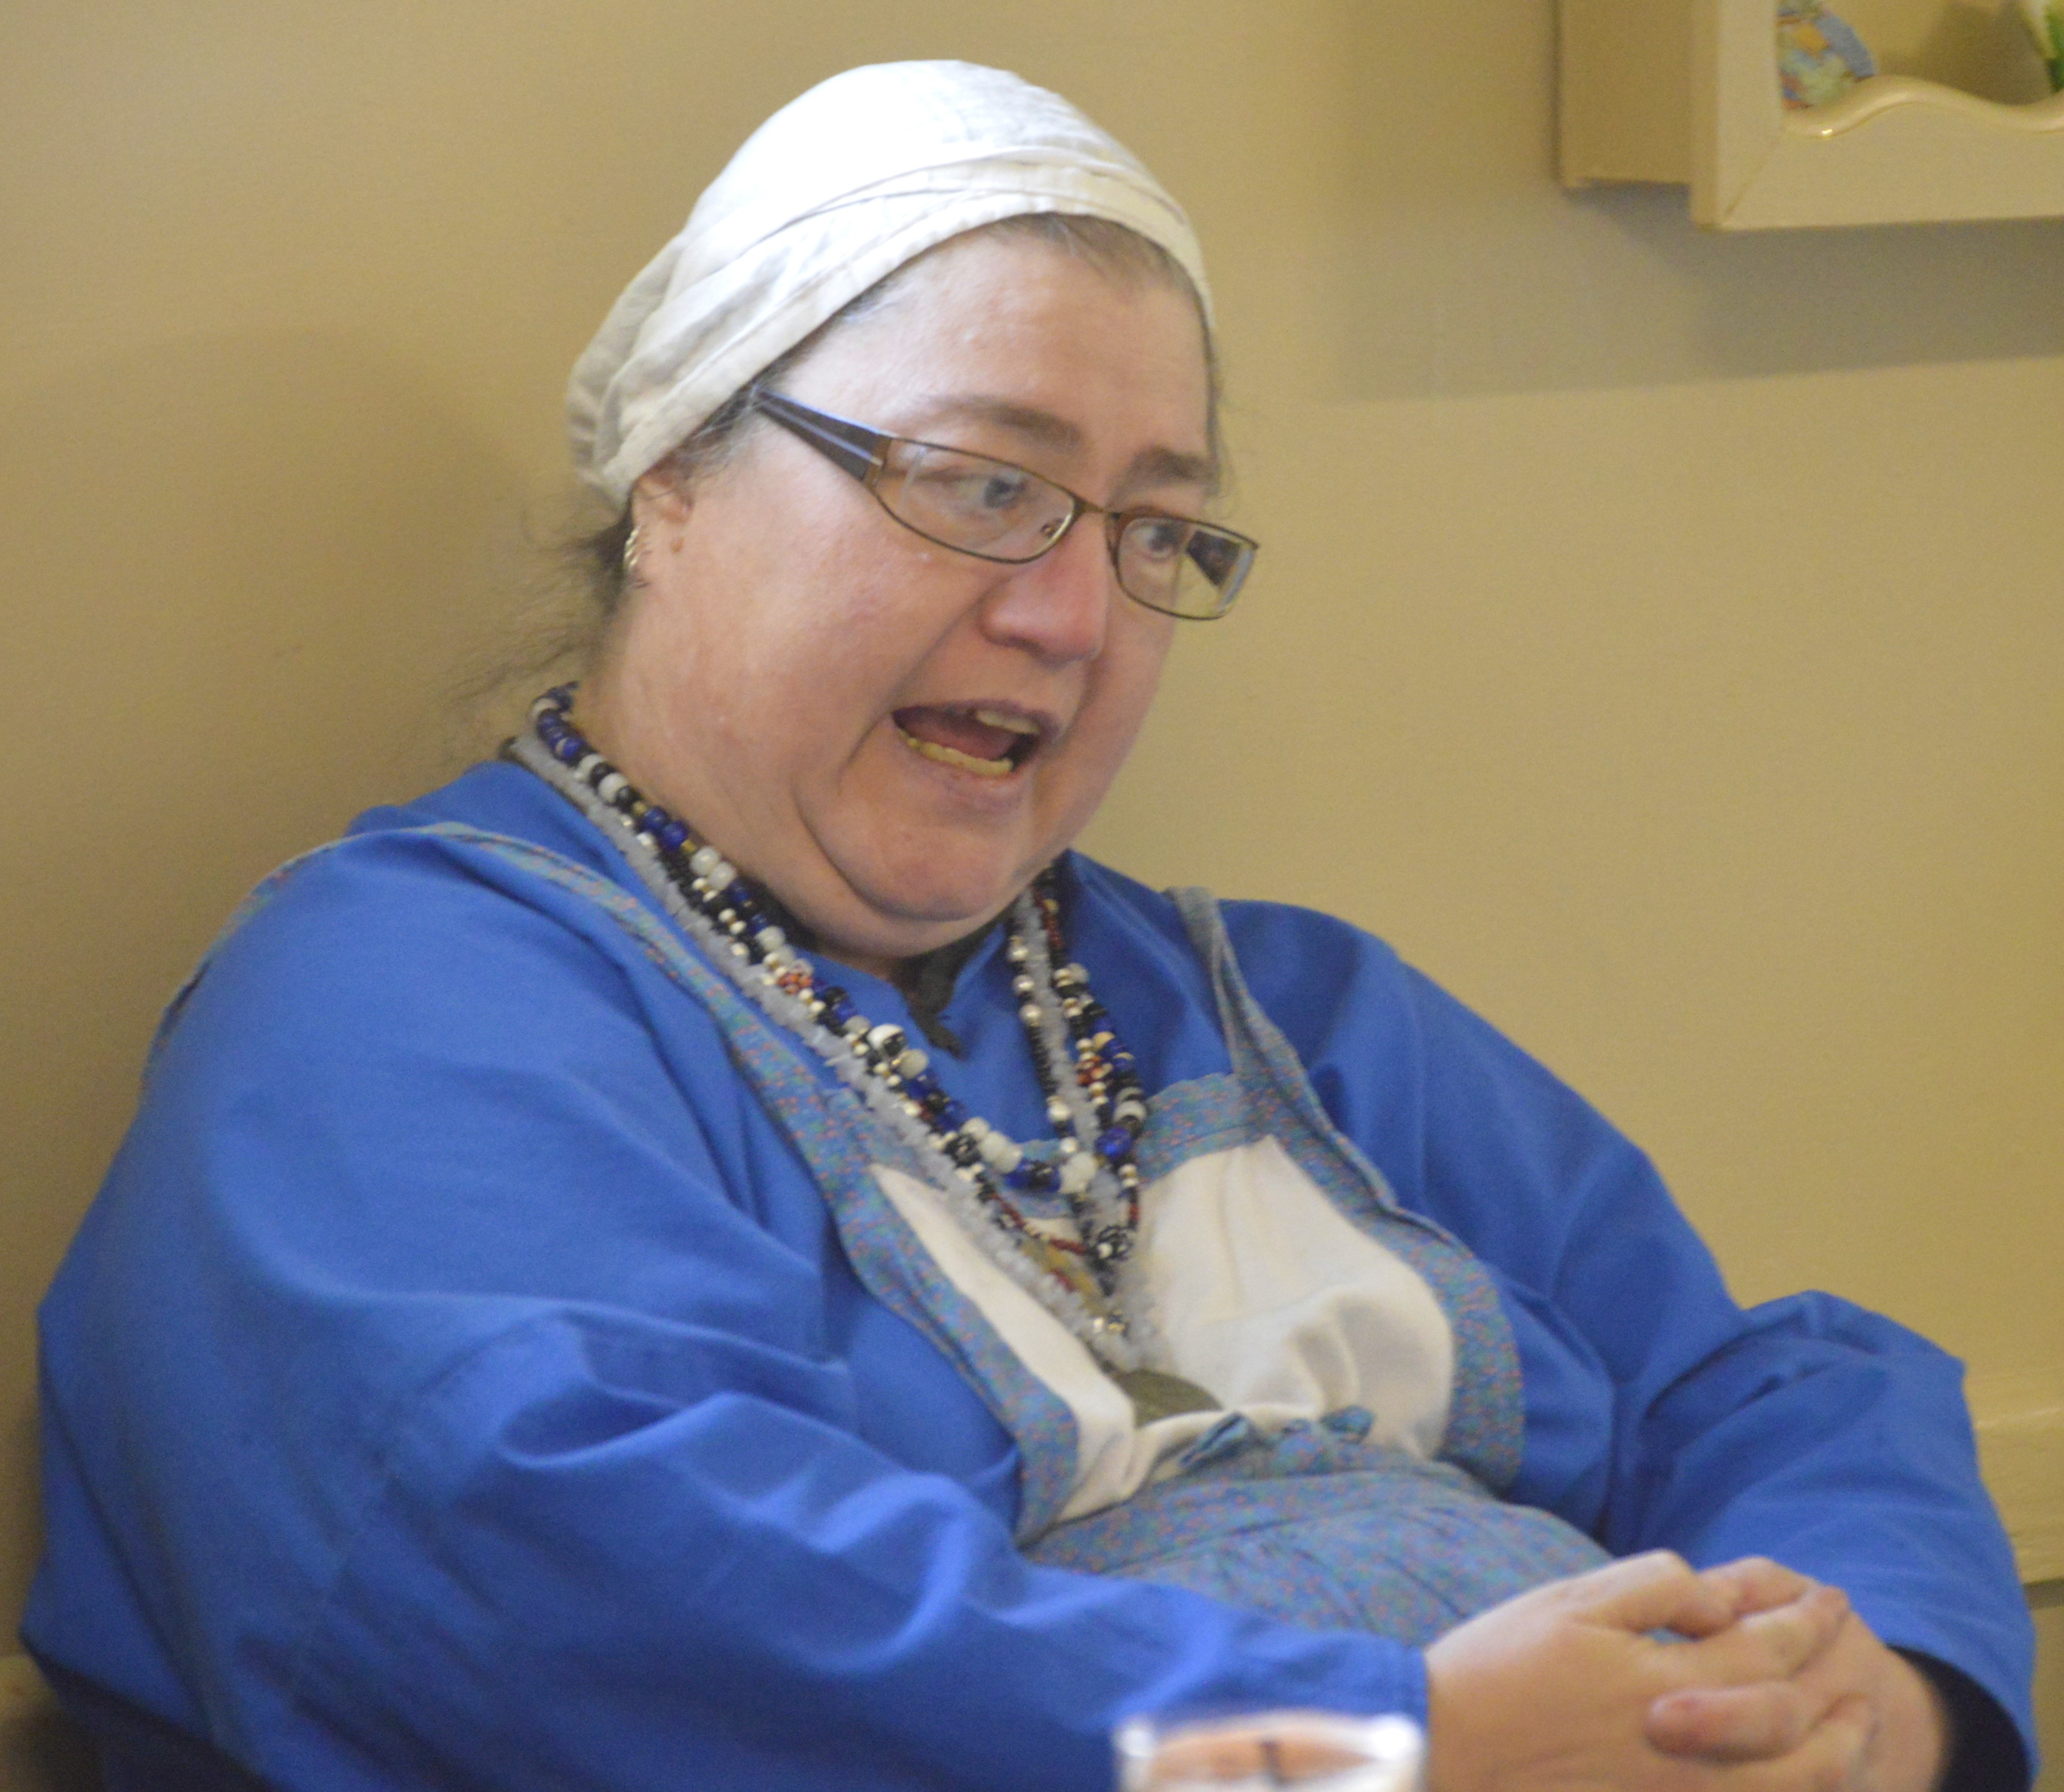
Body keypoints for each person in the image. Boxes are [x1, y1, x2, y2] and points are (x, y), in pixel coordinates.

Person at [22, 60, 2034, 1792]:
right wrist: (1368, 1750)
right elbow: (602, 1589)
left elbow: (1758, 1389)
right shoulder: (401, 1013)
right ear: (675, 479)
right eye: (983, 484)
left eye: (1154, 529)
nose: (1072, 612)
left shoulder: (1285, 1014)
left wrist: (1877, 1694)